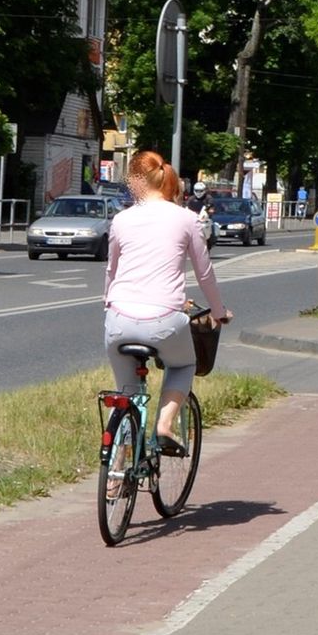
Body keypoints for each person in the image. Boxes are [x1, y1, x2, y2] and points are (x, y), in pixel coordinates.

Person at [104, 150, 232, 456]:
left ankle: (114, 471)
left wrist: (109, 306)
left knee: (126, 393)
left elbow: (111, 271)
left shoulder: (121, 219)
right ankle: (164, 425)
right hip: (164, 320)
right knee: (184, 363)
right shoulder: (187, 219)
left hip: (118, 319)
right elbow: (205, 274)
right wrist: (218, 311)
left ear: (135, 181)